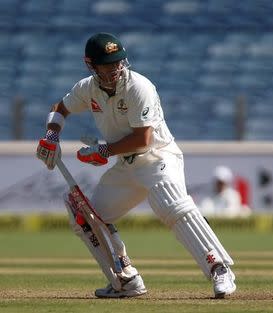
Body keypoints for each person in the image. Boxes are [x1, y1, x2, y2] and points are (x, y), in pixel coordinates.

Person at [35, 32, 236, 299]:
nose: (115, 68)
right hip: (127, 166)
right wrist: (51, 136)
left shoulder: (139, 87)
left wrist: (103, 150)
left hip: (158, 156)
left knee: (171, 204)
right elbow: (60, 107)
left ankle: (219, 269)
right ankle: (125, 278)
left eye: (118, 61)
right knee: (84, 215)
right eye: (107, 64)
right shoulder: (88, 88)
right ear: (91, 65)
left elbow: (144, 139)